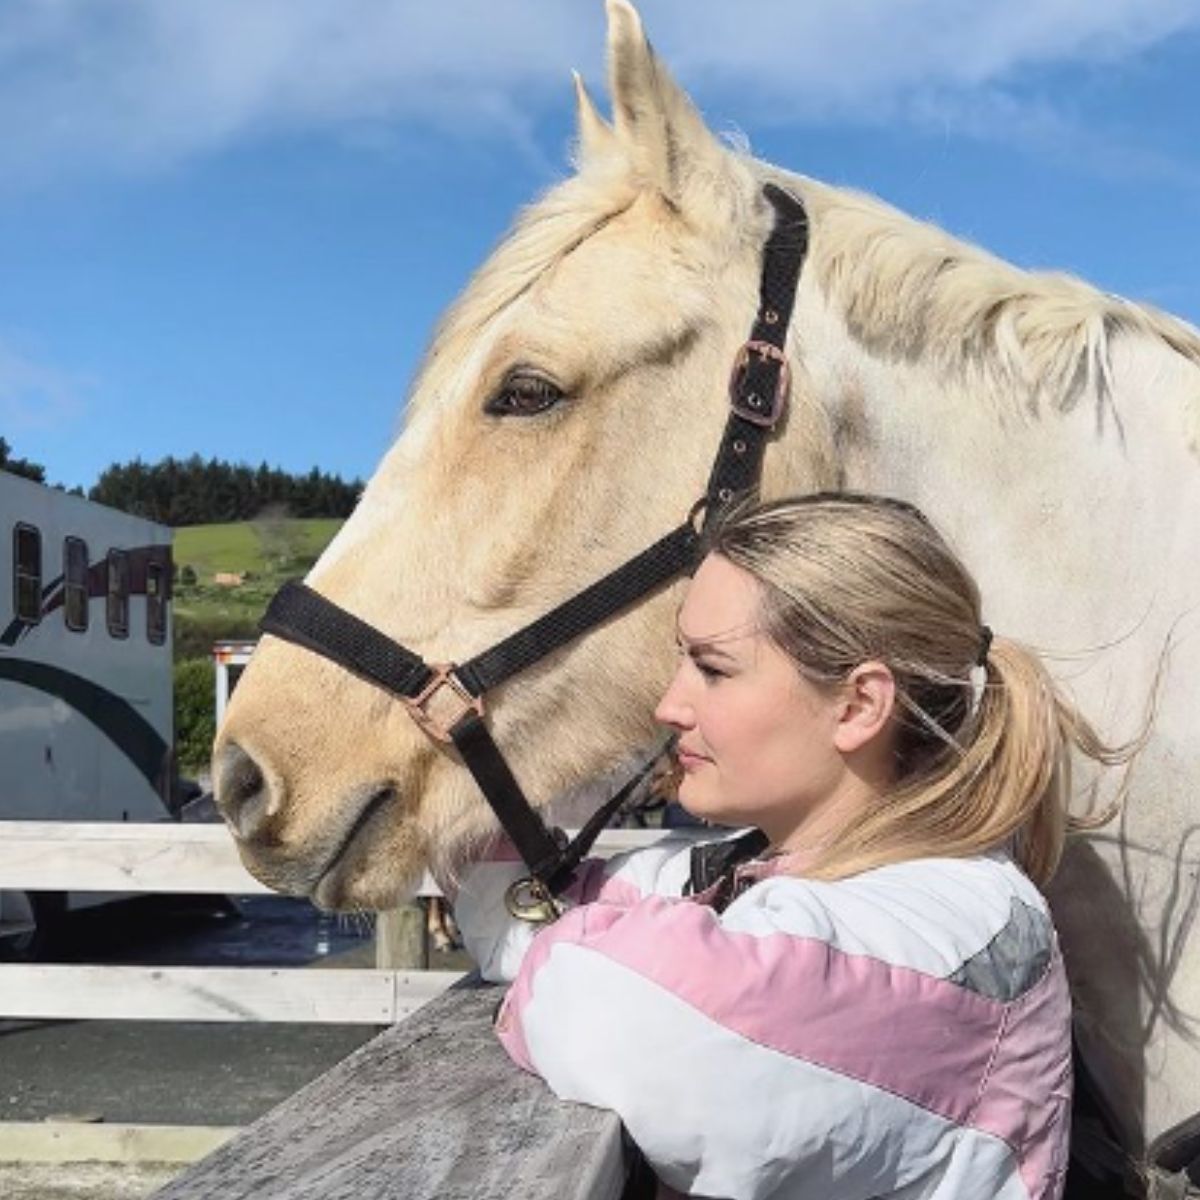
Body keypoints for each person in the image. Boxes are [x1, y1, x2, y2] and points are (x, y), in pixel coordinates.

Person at [446, 493, 1127, 1200]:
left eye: (712, 668)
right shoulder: (751, 867)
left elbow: (632, 1015)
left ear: (859, 706)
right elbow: (522, 913)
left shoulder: (967, 923)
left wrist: (568, 954)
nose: (669, 706)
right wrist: (514, 765)